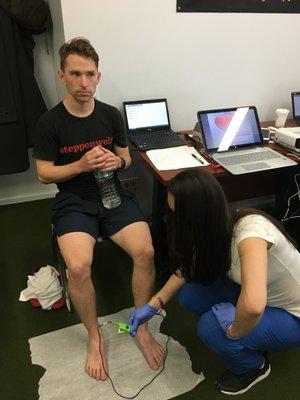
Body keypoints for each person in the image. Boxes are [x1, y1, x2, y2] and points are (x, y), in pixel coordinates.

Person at [33, 37, 164, 381]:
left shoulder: (110, 115)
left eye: (90, 74)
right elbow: (44, 173)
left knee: (146, 251)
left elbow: (125, 157)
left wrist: (115, 162)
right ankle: (94, 337)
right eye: (75, 74)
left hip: (113, 195)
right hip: (74, 200)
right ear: (62, 75)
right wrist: (79, 165)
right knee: (78, 267)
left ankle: (141, 324)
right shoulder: (50, 122)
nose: (83, 83)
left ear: (98, 76)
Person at [128, 169, 300, 395]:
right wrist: (154, 303)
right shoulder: (216, 224)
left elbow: (254, 305)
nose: (174, 221)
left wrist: (233, 329)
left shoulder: (251, 234)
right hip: (264, 295)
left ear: (197, 214)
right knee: (191, 294)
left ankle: (254, 366)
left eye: (177, 214)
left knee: (210, 327)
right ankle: (245, 336)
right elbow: (187, 268)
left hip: (292, 315)